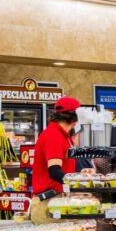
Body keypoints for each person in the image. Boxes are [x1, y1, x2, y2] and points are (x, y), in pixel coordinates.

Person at [29, 96, 80, 224]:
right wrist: (80, 182)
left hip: (57, 200)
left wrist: (81, 173)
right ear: (74, 117)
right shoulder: (54, 135)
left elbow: (64, 168)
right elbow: (54, 171)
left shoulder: (64, 135)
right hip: (48, 202)